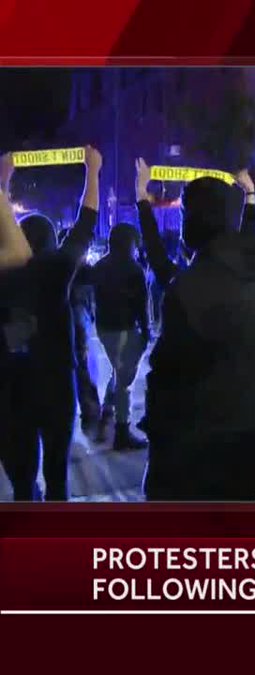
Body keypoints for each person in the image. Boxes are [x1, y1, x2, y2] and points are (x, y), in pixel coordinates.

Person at [136, 159, 255, 500]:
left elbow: (165, 379)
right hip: (250, 442)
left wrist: (143, 200)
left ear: (193, 220)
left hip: (195, 451)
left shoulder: (189, 289)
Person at [0, 146, 101, 501]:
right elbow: (85, 224)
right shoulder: (55, 271)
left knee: (23, 483)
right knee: (57, 479)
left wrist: (3, 180)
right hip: (56, 387)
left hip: (11, 390)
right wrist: (93, 171)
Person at [91, 222, 151, 451]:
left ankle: (106, 417)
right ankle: (122, 432)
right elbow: (141, 304)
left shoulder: (101, 265)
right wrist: (146, 331)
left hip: (105, 328)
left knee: (118, 374)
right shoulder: (133, 268)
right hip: (126, 328)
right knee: (125, 382)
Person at [70, 260, 102, 436]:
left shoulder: (76, 297)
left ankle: (90, 412)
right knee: (85, 373)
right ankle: (91, 412)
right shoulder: (80, 302)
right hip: (80, 339)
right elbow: (81, 323)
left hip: (77, 336)